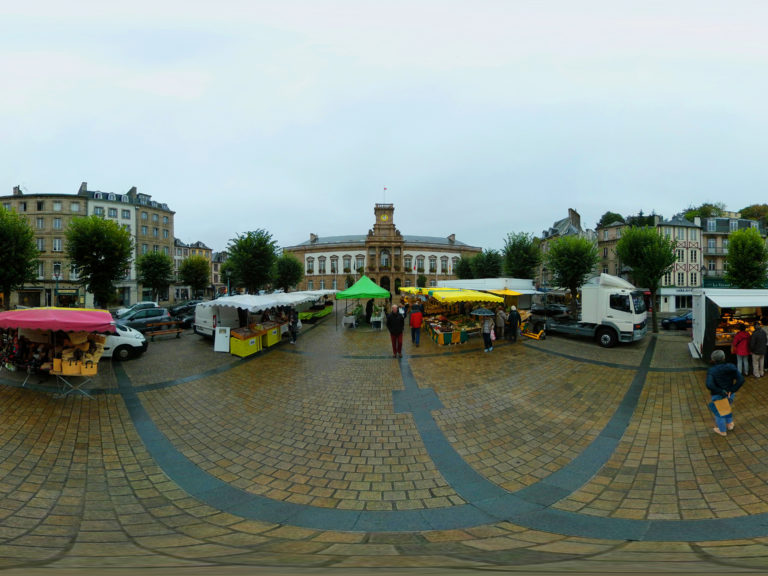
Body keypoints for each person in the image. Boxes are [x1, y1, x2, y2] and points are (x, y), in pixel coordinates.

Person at [706, 349, 744, 437]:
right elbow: (741, 379)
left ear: (713, 359)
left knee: (719, 413)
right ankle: (730, 424)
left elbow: (709, 384)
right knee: (726, 407)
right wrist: (732, 390)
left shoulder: (712, 370)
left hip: (718, 395)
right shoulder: (731, 367)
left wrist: (721, 391)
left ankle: (722, 430)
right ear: (724, 357)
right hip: (730, 394)